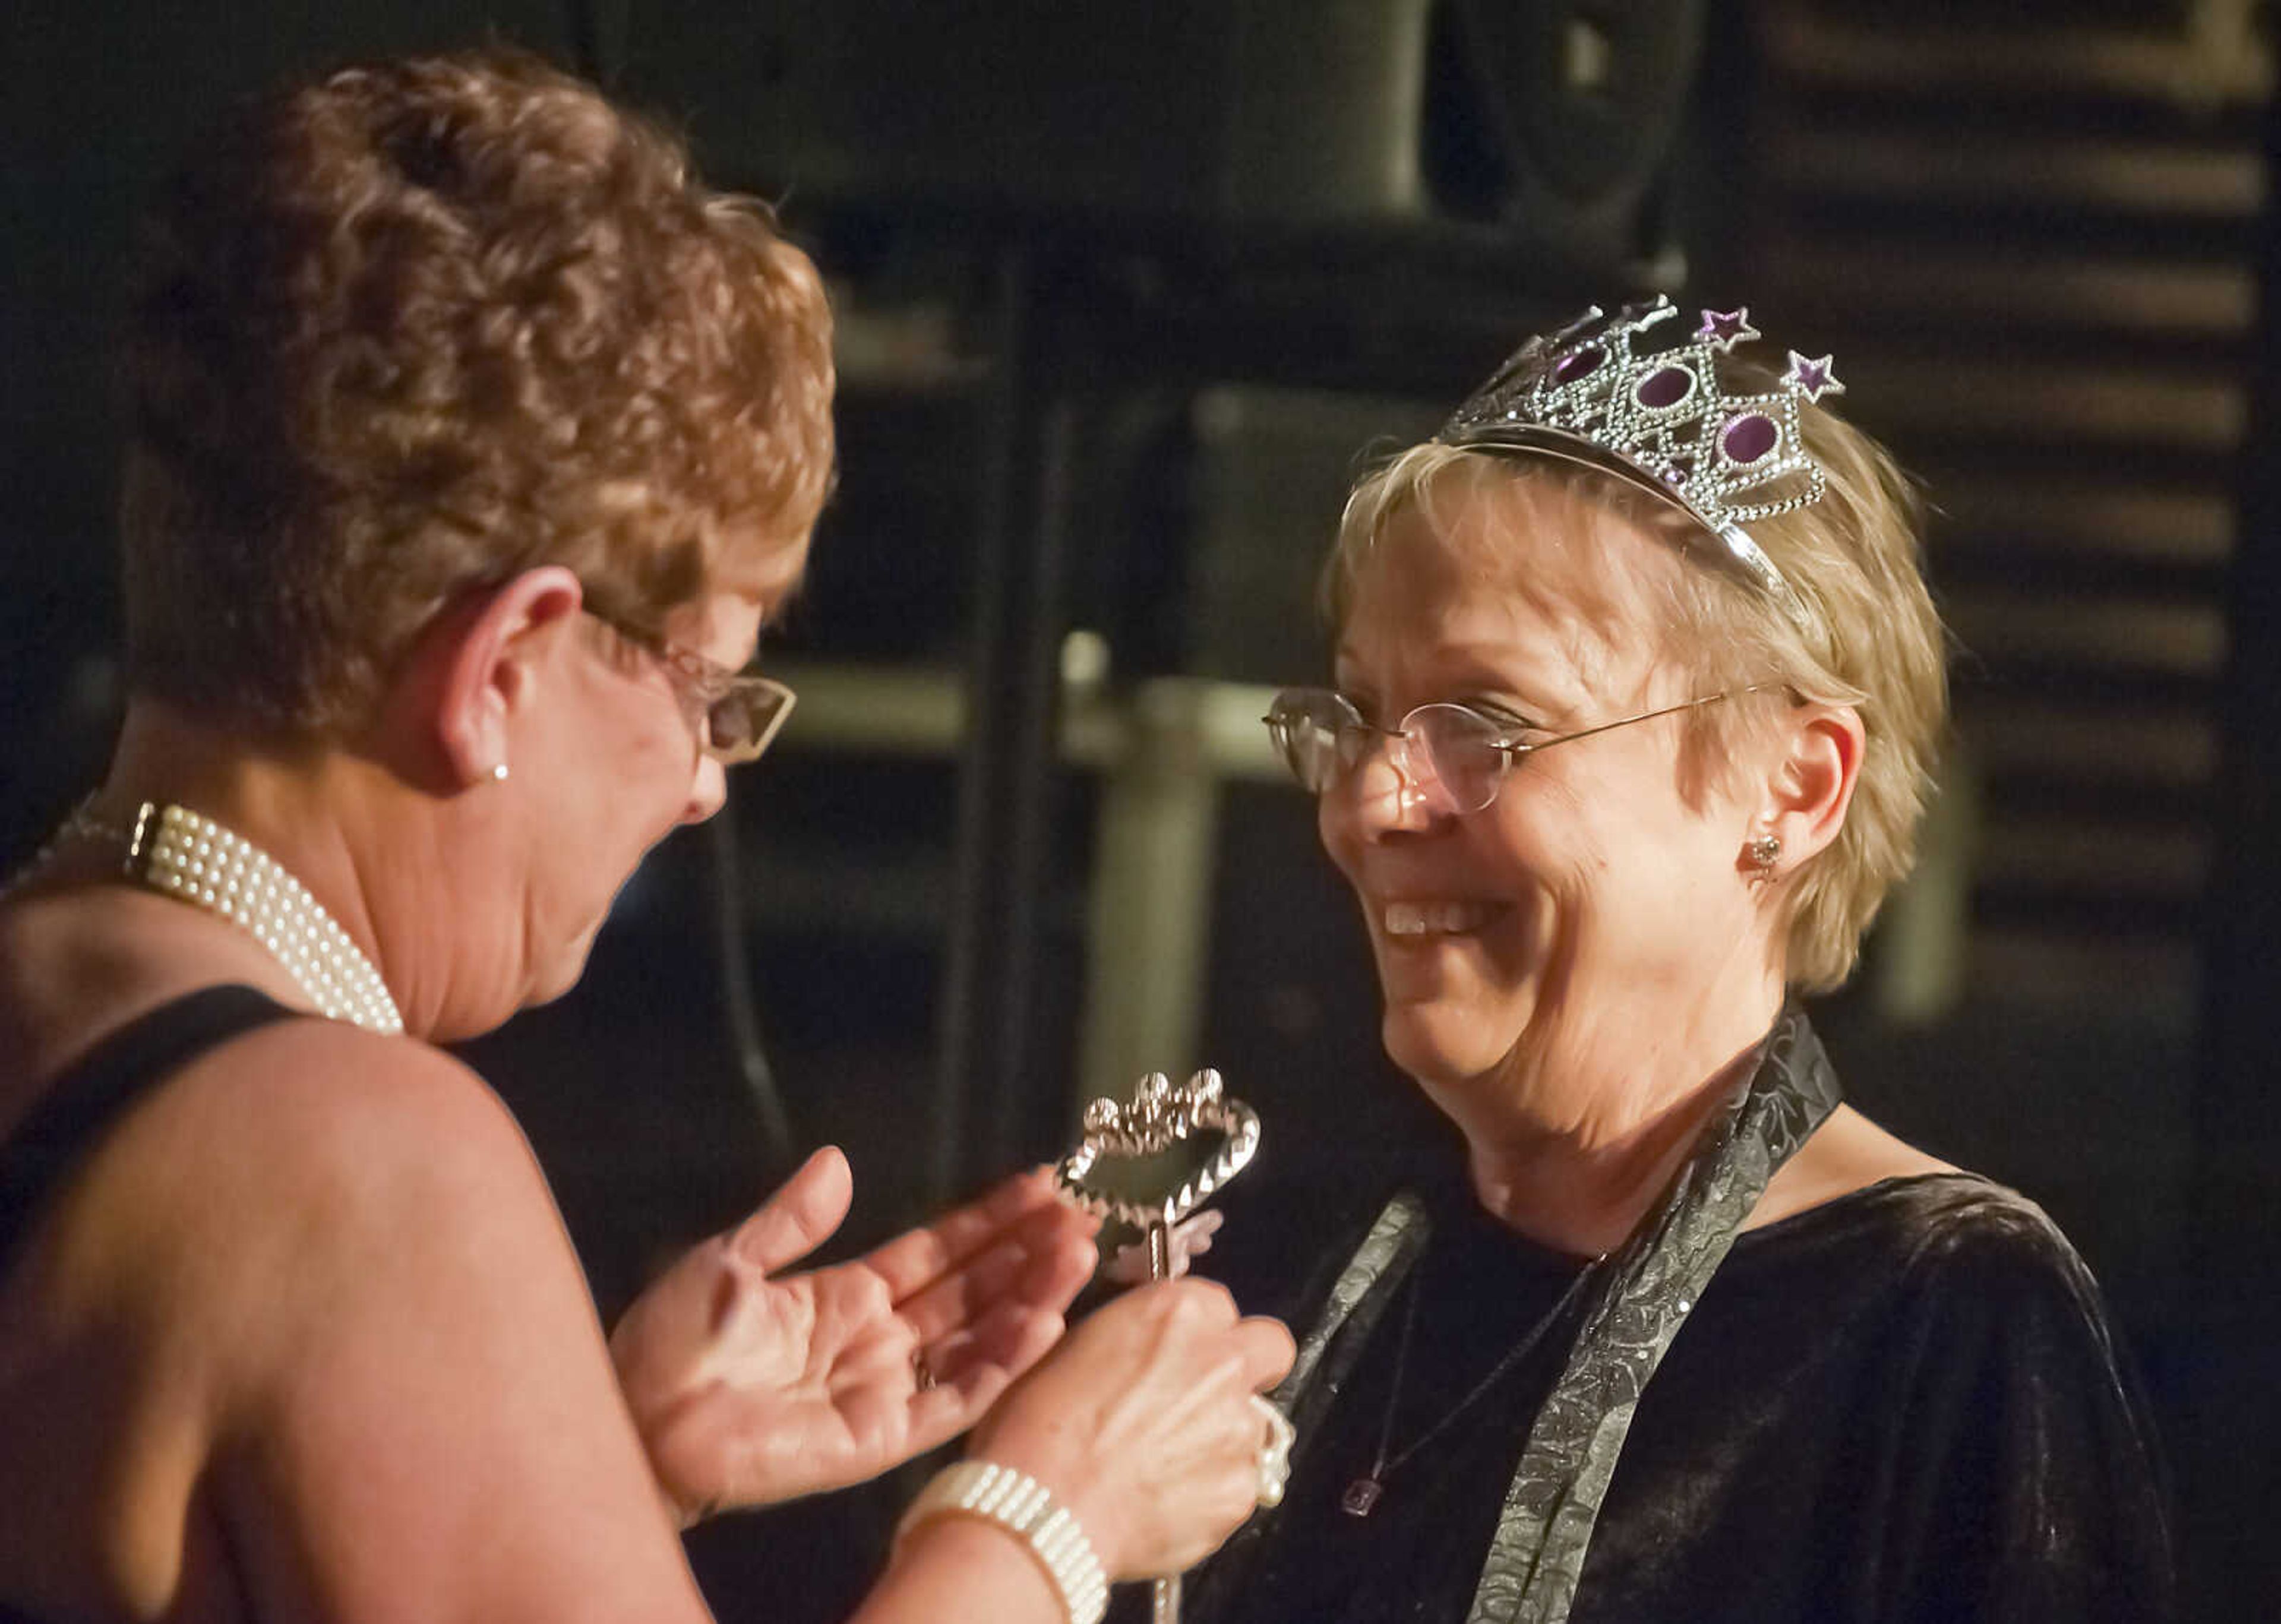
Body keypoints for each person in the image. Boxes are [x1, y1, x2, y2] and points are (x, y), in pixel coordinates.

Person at [0, 48, 1293, 1624]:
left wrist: (586, 1461)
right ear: (506, 665)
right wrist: (1038, 1520)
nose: (704, 783)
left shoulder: (56, 992)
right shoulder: (362, 1167)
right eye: (712, 690)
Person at [1183, 300, 2172, 1623]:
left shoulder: (1940, 1320)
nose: (1367, 803)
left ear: (1794, 785)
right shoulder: (1286, 1245)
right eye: (1358, 717)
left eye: (1485, 722)